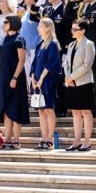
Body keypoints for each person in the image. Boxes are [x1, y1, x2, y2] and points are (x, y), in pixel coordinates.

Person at [0, 14, 29, 150]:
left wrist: (15, 77)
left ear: (13, 23)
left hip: (15, 77)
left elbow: (22, 60)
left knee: (16, 106)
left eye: (6, 22)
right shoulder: (4, 38)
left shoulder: (19, 39)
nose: (3, 24)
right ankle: (7, 138)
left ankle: (16, 139)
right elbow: (0, 59)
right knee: (5, 108)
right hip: (4, 76)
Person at [63, 18, 96, 151]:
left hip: (84, 82)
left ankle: (87, 141)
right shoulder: (71, 45)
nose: (72, 32)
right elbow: (66, 63)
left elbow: (87, 65)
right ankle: (77, 140)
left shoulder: (89, 44)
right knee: (75, 112)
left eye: (75, 29)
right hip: (71, 83)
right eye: (72, 29)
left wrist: (71, 76)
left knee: (86, 111)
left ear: (83, 31)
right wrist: (68, 78)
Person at [30, 18, 62, 150]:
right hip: (37, 81)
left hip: (47, 80)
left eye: (41, 26)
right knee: (41, 111)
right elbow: (34, 64)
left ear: (48, 28)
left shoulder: (53, 44)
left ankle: (49, 139)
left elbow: (52, 62)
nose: (38, 28)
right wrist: (33, 78)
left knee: (48, 109)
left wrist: (42, 77)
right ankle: (43, 138)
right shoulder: (39, 44)